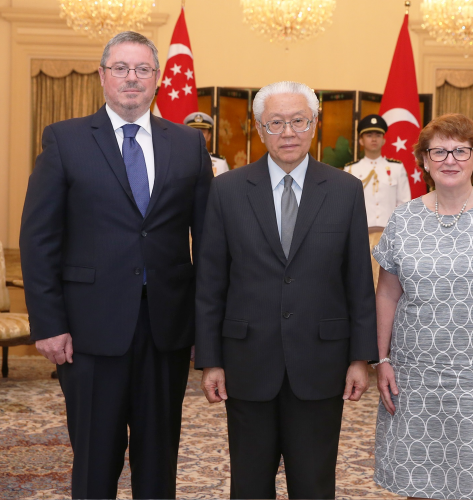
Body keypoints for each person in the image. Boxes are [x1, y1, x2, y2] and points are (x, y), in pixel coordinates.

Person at [19, 31, 213, 499]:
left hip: (165, 328)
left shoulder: (188, 145)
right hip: (88, 330)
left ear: (158, 79)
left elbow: (208, 244)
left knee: (158, 457)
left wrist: (204, 334)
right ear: (103, 76)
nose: (132, 78)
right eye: (121, 68)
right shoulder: (64, 140)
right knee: (94, 457)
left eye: (143, 69)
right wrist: (49, 324)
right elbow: (38, 238)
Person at [194, 81, 378, 499]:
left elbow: (358, 282)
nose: (288, 132)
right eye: (276, 122)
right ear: (260, 129)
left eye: (298, 120)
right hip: (247, 362)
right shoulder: (226, 190)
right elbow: (210, 283)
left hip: (321, 361)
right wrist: (210, 360)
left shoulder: (346, 190)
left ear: (313, 124)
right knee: (250, 483)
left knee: (314, 483)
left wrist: (359, 357)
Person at [372, 113, 473, 500]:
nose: (451, 160)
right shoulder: (404, 218)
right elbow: (387, 295)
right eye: (440, 151)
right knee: (418, 478)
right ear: (425, 161)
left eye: (461, 151)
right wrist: (381, 360)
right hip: (414, 377)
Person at [345, 114, 411, 227]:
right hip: (360, 233)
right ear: (361, 140)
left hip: (390, 232)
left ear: (384, 140)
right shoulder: (351, 169)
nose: (374, 139)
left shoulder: (396, 168)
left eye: (378, 135)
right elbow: (346, 206)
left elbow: (404, 204)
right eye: (369, 135)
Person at [183, 111, 230, 176]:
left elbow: (226, 185)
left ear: (209, 136)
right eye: (193, 131)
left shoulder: (220, 163)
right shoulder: (178, 161)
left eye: (202, 132)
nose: (198, 135)